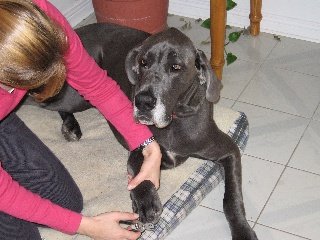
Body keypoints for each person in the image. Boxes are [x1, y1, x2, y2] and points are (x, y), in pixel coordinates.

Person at [0, 0, 162, 239]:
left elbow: (96, 84)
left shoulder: (35, 13)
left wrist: (148, 145)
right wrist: (87, 227)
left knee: (68, 205)